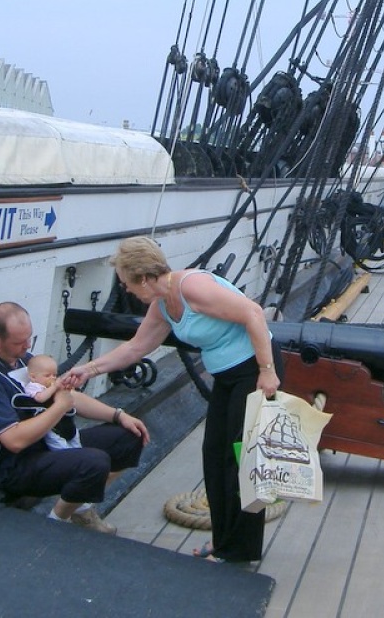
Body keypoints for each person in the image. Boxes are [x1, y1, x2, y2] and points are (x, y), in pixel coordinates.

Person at [65, 236, 283, 564]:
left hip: (254, 369)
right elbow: (135, 348)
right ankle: (225, 541)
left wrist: (266, 371)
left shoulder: (191, 287)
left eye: (125, 283)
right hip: (228, 375)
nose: (125, 290)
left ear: (142, 277)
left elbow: (253, 314)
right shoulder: (163, 305)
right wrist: (87, 370)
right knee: (214, 455)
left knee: (239, 461)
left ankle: (239, 550)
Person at [0, 302, 150, 535]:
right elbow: (14, 440)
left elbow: (69, 397)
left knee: (129, 437)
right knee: (94, 461)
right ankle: (54, 526)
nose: (27, 346)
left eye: (29, 338)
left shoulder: (26, 360)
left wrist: (118, 415)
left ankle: (81, 510)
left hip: (52, 443)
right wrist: (59, 407)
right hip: (16, 465)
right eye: (19, 342)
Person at [23, 354, 82, 451]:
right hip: (47, 422)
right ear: (33, 377)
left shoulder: (49, 386)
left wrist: (65, 388)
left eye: (54, 375)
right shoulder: (34, 386)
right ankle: (66, 455)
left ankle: (79, 451)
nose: (52, 378)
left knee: (75, 435)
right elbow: (40, 398)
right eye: (47, 375)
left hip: (61, 418)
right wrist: (54, 387)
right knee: (56, 441)